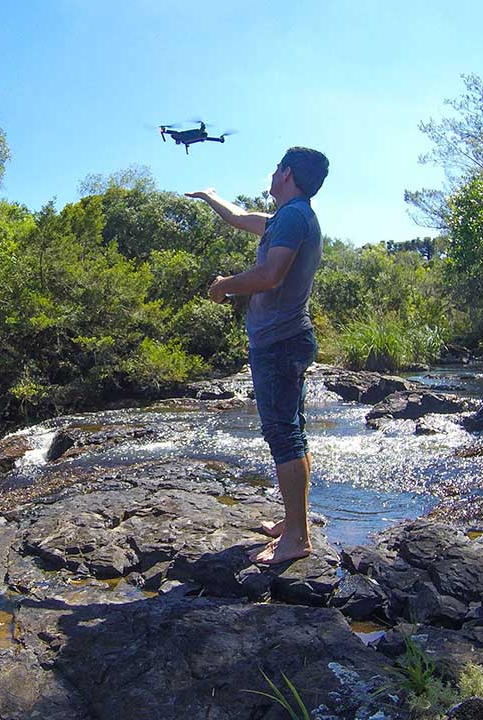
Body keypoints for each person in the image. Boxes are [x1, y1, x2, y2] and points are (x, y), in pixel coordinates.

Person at [186, 146, 329, 565]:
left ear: (285, 174)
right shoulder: (287, 218)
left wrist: (223, 286)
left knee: (283, 434)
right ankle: (294, 521)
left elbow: (269, 276)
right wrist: (211, 197)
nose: (269, 175)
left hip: (280, 342)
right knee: (293, 430)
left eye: (274, 168)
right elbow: (237, 217)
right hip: (286, 339)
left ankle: (297, 538)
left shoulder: (293, 216)